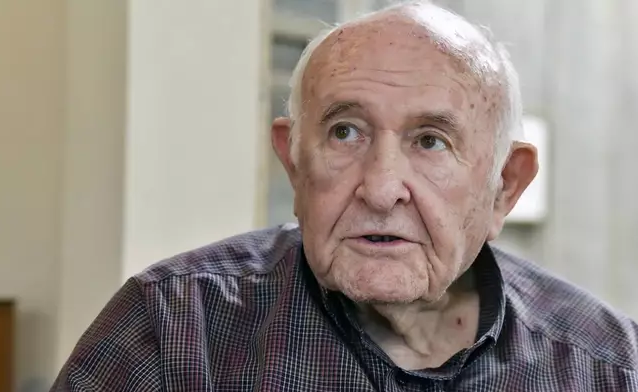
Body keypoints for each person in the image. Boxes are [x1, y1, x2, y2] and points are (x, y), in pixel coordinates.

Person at [51, 1, 638, 391]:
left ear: (504, 186)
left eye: (431, 141)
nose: (381, 189)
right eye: (345, 132)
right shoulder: (175, 329)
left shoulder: (605, 365)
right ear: (293, 161)